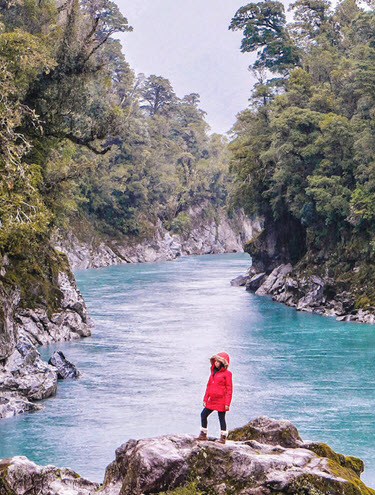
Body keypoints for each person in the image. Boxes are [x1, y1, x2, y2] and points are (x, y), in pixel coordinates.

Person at [196, 352, 233, 444]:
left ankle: (223, 438)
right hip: (212, 400)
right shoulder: (213, 373)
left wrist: (227, 403)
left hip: (221, 400)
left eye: (218, 361)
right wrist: (205, 398)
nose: (215, 363)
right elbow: (208, 386)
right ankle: (203, 434)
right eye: (215, 361)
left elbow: (229, 389)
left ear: (222, 363)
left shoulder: (227, 374)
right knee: (203, 415)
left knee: (221, 418)